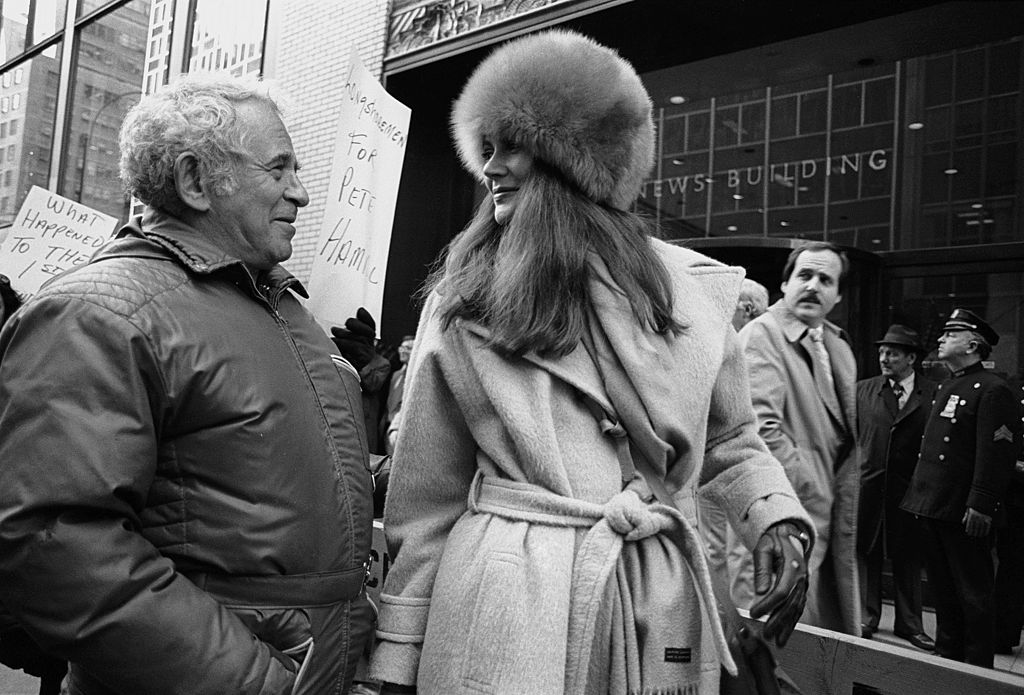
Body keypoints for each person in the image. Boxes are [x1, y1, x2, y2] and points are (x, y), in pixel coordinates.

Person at [369, 30, 813, 695]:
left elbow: (731, 437)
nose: (489, 168)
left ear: (575, 159)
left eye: (510, 146)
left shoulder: (688, 294)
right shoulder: (465, 300)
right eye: (485, 148)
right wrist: (397, 659)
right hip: (505, 609)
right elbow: (424, 500)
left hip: (650, 599)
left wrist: (774, 514)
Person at [0, 74, 374, 694]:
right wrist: (254, 683)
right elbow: (53, 542)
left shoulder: (282, 307)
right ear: (196, 181)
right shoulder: (98, 315)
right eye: (278, 169)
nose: (301, 193)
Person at [730, 241, 861, 636]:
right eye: (804, 275)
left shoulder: (836, 345)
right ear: (785, 283)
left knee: (806, 633)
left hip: (819, 513)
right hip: (781, 516)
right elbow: (757, 430)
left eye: (825, 279)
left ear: (837, 296)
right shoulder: (761, 335)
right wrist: (808, 486)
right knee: (767, 634)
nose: (813, 286)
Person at [901, 309, 1021, 667]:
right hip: (935, 504)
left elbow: (996, 453)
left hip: (964, 511)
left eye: (950, 334)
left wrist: (982, 504)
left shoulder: (994, 388)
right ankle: (947, 659)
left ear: (972, 344)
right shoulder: (946, 385)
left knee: (973, 595)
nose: (940, 339)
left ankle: (976, 671)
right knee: (943, 592)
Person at [856, 325, 936, 650]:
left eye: (893, 353)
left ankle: (910, 625)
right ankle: (865, 616)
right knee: (867, 551)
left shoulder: (932, 393)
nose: (884, 358)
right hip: (868, 486)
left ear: (911, 358)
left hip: (911, 491)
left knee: (908, 556)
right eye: (882, 352)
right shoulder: (862, 391)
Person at [699, 277, 770, 586]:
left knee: (725, 550)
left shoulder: (743, 348)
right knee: (716, 548)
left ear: (747, 309)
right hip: (718, 465)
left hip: (729, 464)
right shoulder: (724, 344)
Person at [994, 373, 1024, 655]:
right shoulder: (1012, 391)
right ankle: (1003, 635)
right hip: (1017, 502)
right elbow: (1003, 445)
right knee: (1013, 570)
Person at [382, 334, 415, 454]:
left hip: (403, 433)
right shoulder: (396, 375)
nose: (403, 351)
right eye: (401, 347)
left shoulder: (416, 376)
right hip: (388, 431)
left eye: (408, 348)